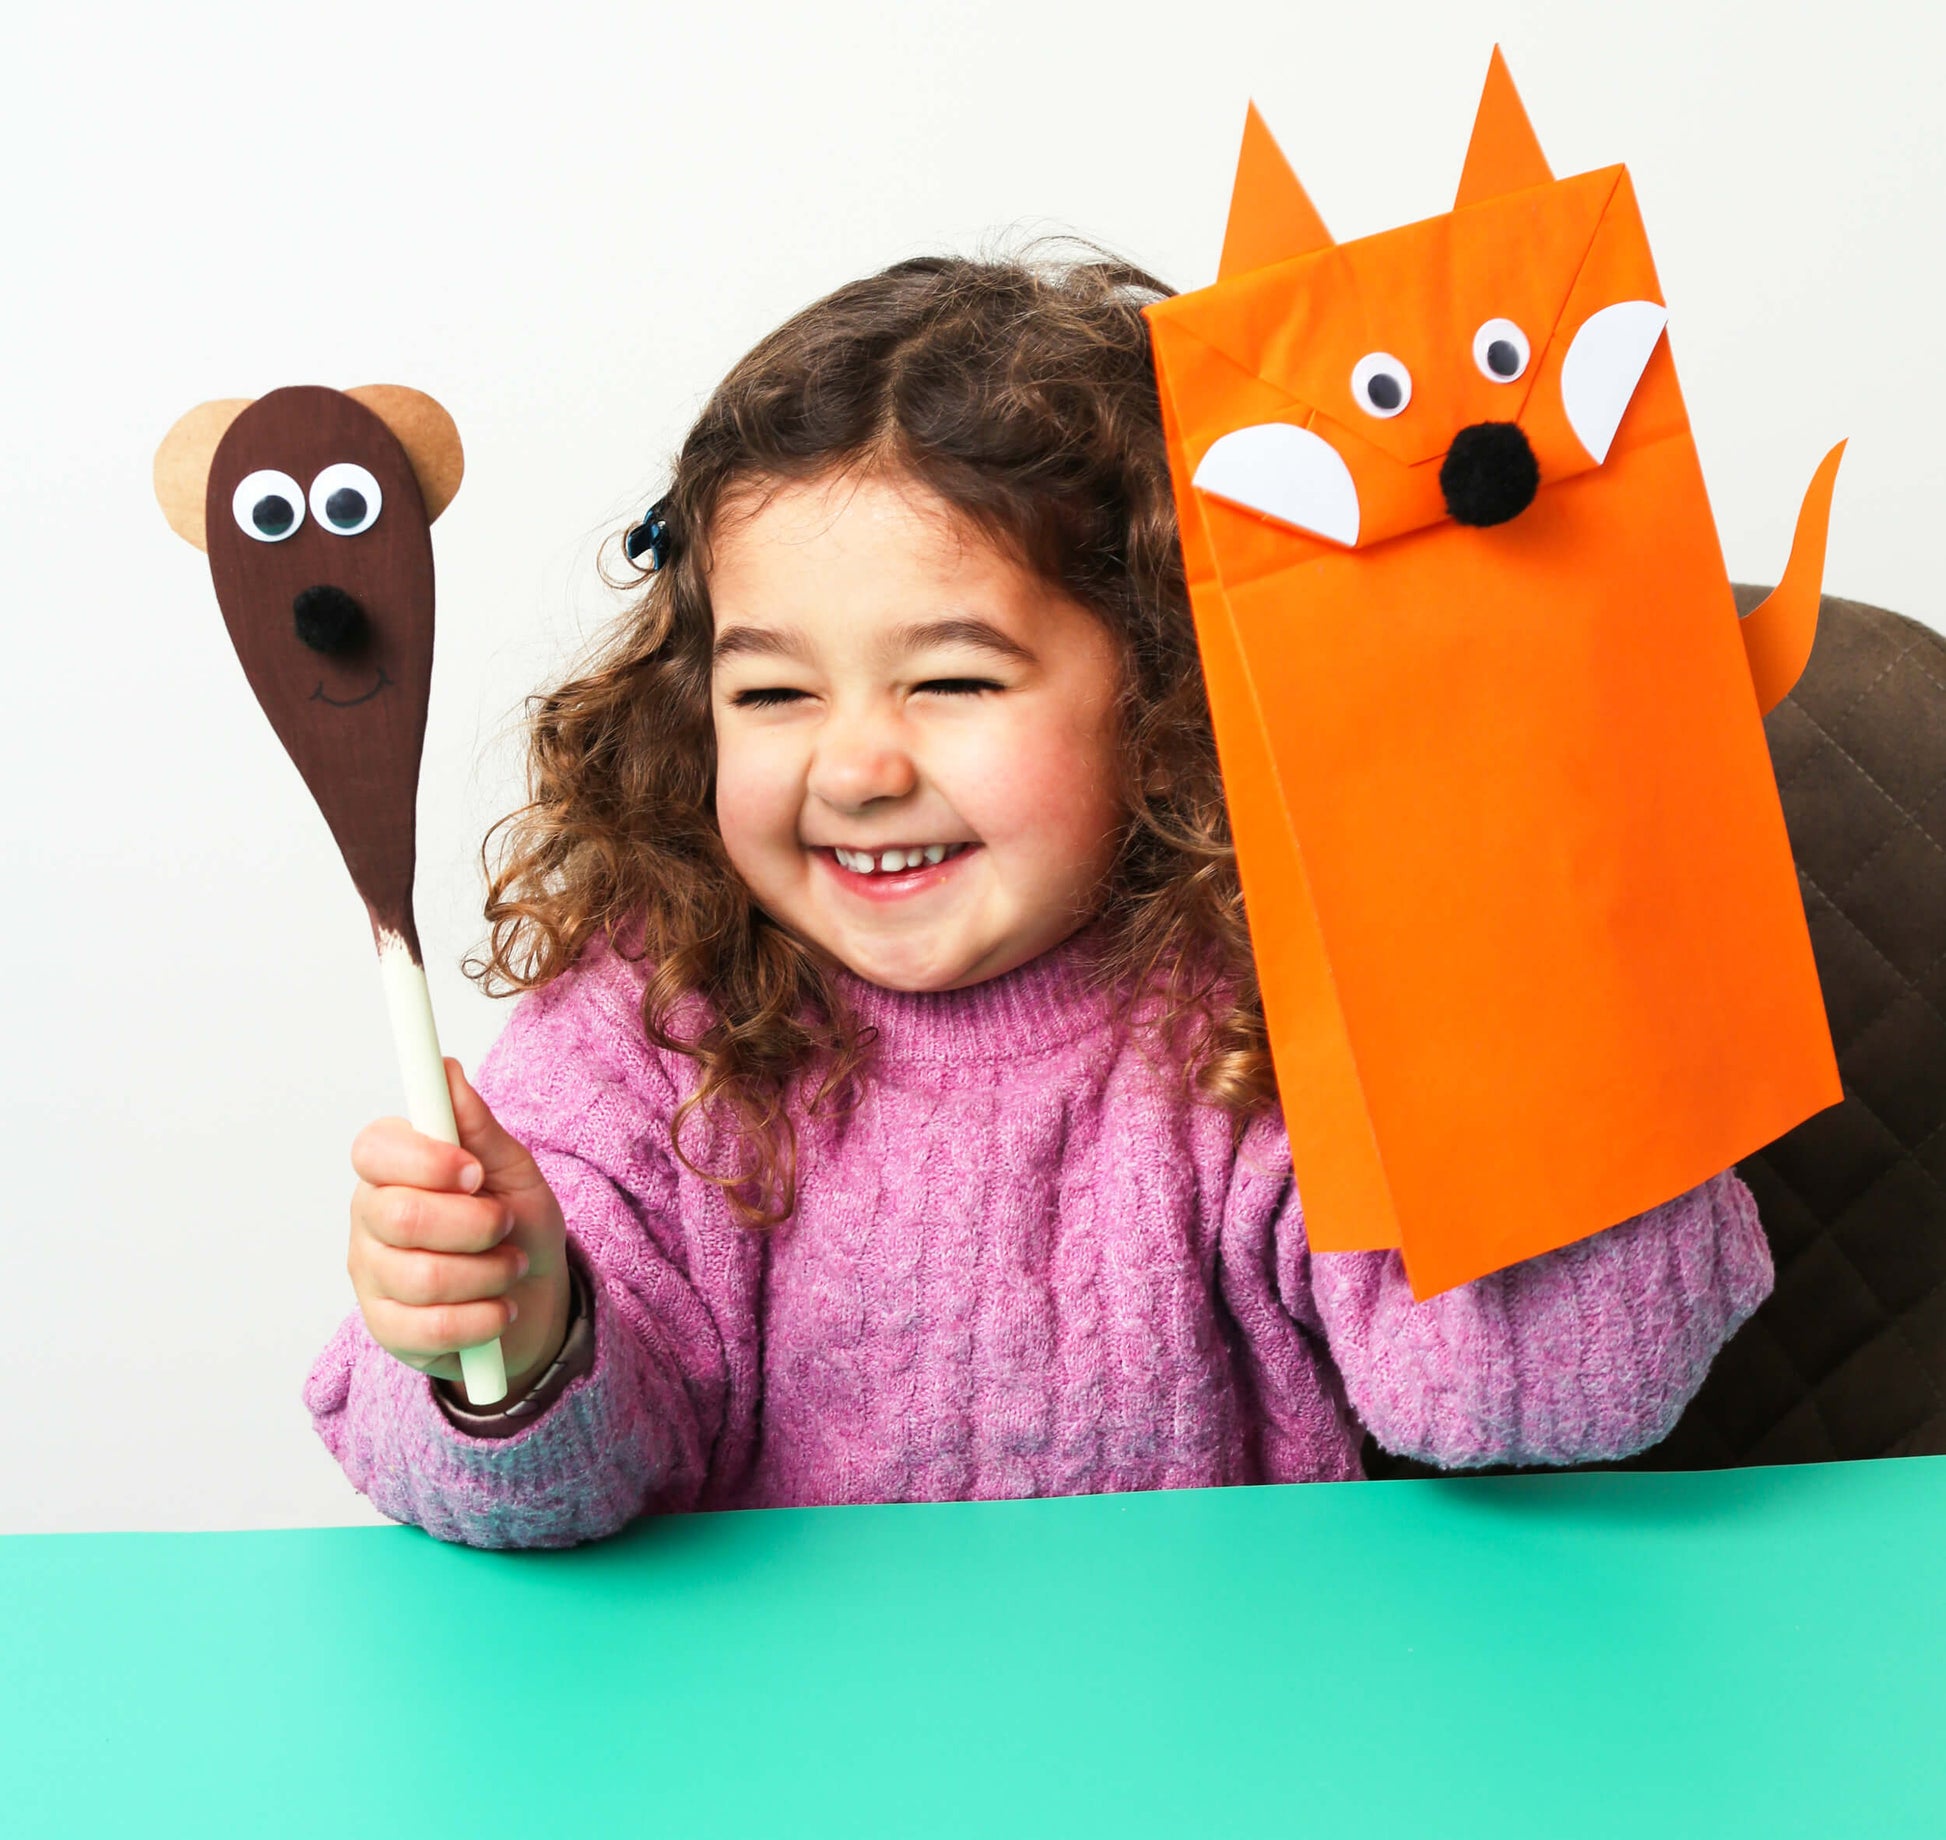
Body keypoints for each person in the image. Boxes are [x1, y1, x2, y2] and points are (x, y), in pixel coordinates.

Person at [309, 252, 1773, 1548]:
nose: (859, 762)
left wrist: (1538, 974)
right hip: (777, 1783)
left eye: (950, 680)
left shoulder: (1271, 1003)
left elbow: (1551, 1396)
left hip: (1236, 1762)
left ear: (1165, 689)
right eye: (771, 690)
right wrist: (508, 1331)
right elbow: (536, 1495)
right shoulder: (647, 1027)